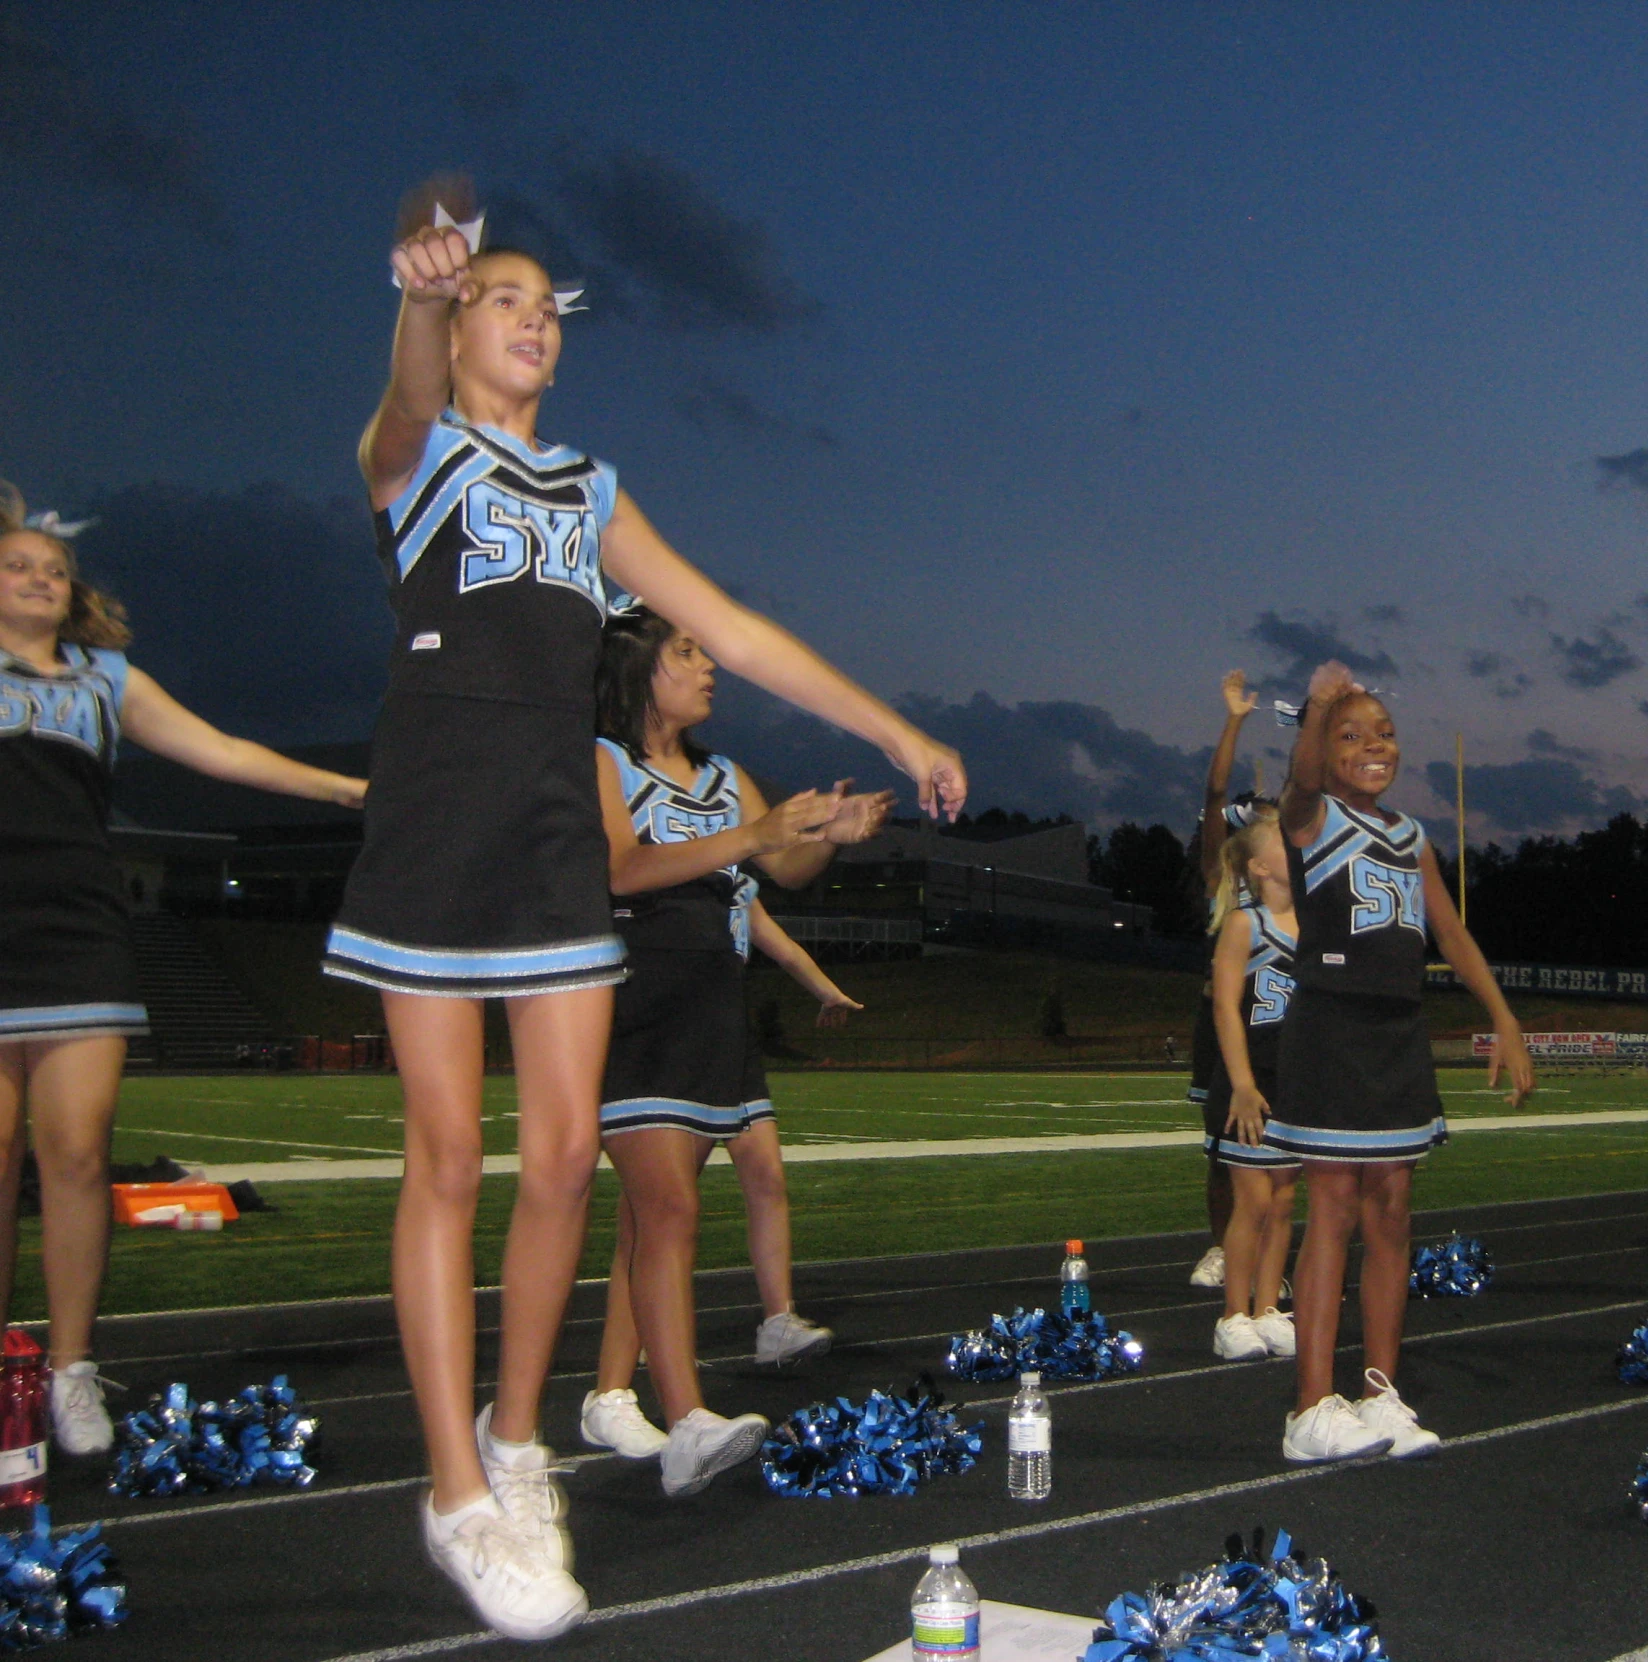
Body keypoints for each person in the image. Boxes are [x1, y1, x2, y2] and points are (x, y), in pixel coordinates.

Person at [329, 199, 964, 1641]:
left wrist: (893, 721)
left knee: (560, 1164)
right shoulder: (418, 459)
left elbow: (733, 631)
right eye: (501, 296)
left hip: (555, 843)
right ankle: (452, 1495)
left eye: (547, 300)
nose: (531, 315)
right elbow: (404, 396)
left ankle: (515, 1441)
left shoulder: (590, 491)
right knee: (446, 1162)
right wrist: (419, 293)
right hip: (436, 831)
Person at [0, 487, 364, 1455]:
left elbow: (221, 751)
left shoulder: (103, 680)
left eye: (54, 568)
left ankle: (71, 1373)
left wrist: (347, 788)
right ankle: (4, 1371)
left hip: (78, 926)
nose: (39, 577)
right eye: (18, 564)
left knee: (75, 1155)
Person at [577, 609, 888, 1495]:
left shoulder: (723, 774)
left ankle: (609, 1395)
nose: (709, 666)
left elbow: (784, 874)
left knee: (652, 1218)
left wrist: (829, 836)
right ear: (639, 671)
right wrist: (754, 837)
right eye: (687, 652)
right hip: (633, 1003)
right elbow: (622, 870)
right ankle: (686, 1422)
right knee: (666, 1209)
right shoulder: (604, 762)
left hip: (714, 1011)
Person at [1270, 663, 1532, 1462]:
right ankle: (1311, 1408)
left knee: (1392, 1215)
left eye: (1382, 731)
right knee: (1334, 1211)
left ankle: (1381, 1392)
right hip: (1332, 1027)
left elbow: (1448, 934)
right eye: (1351, 734)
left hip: (1398, 1032)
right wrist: (1318, 709)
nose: (1371, 744)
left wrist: (1505, 1019)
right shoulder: (1308, 815)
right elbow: (1303, 774)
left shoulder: (1411, 835)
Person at [1205, 804, 1301, 1362]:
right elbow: (1224, 1005)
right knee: (1254, 1201)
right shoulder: (1246, 923)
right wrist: (1241, 1082)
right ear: (1260, 868)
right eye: (1283, 845)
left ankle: (1269, 1309)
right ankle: (1232, 1315)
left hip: (1296, 1077)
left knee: (1285, 1199)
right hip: (1249, 1078)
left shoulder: (1314, 924)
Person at [1186, 670, 1260, 1290]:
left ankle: (1266, 1259)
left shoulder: (1298, 885)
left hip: (1279, 1020)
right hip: (1222, 1023)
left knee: (1282, 1153)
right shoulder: (1223, 881)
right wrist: (1234, 718)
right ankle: (1219, 1248)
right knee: (1220, 1150)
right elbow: (1213, 795)